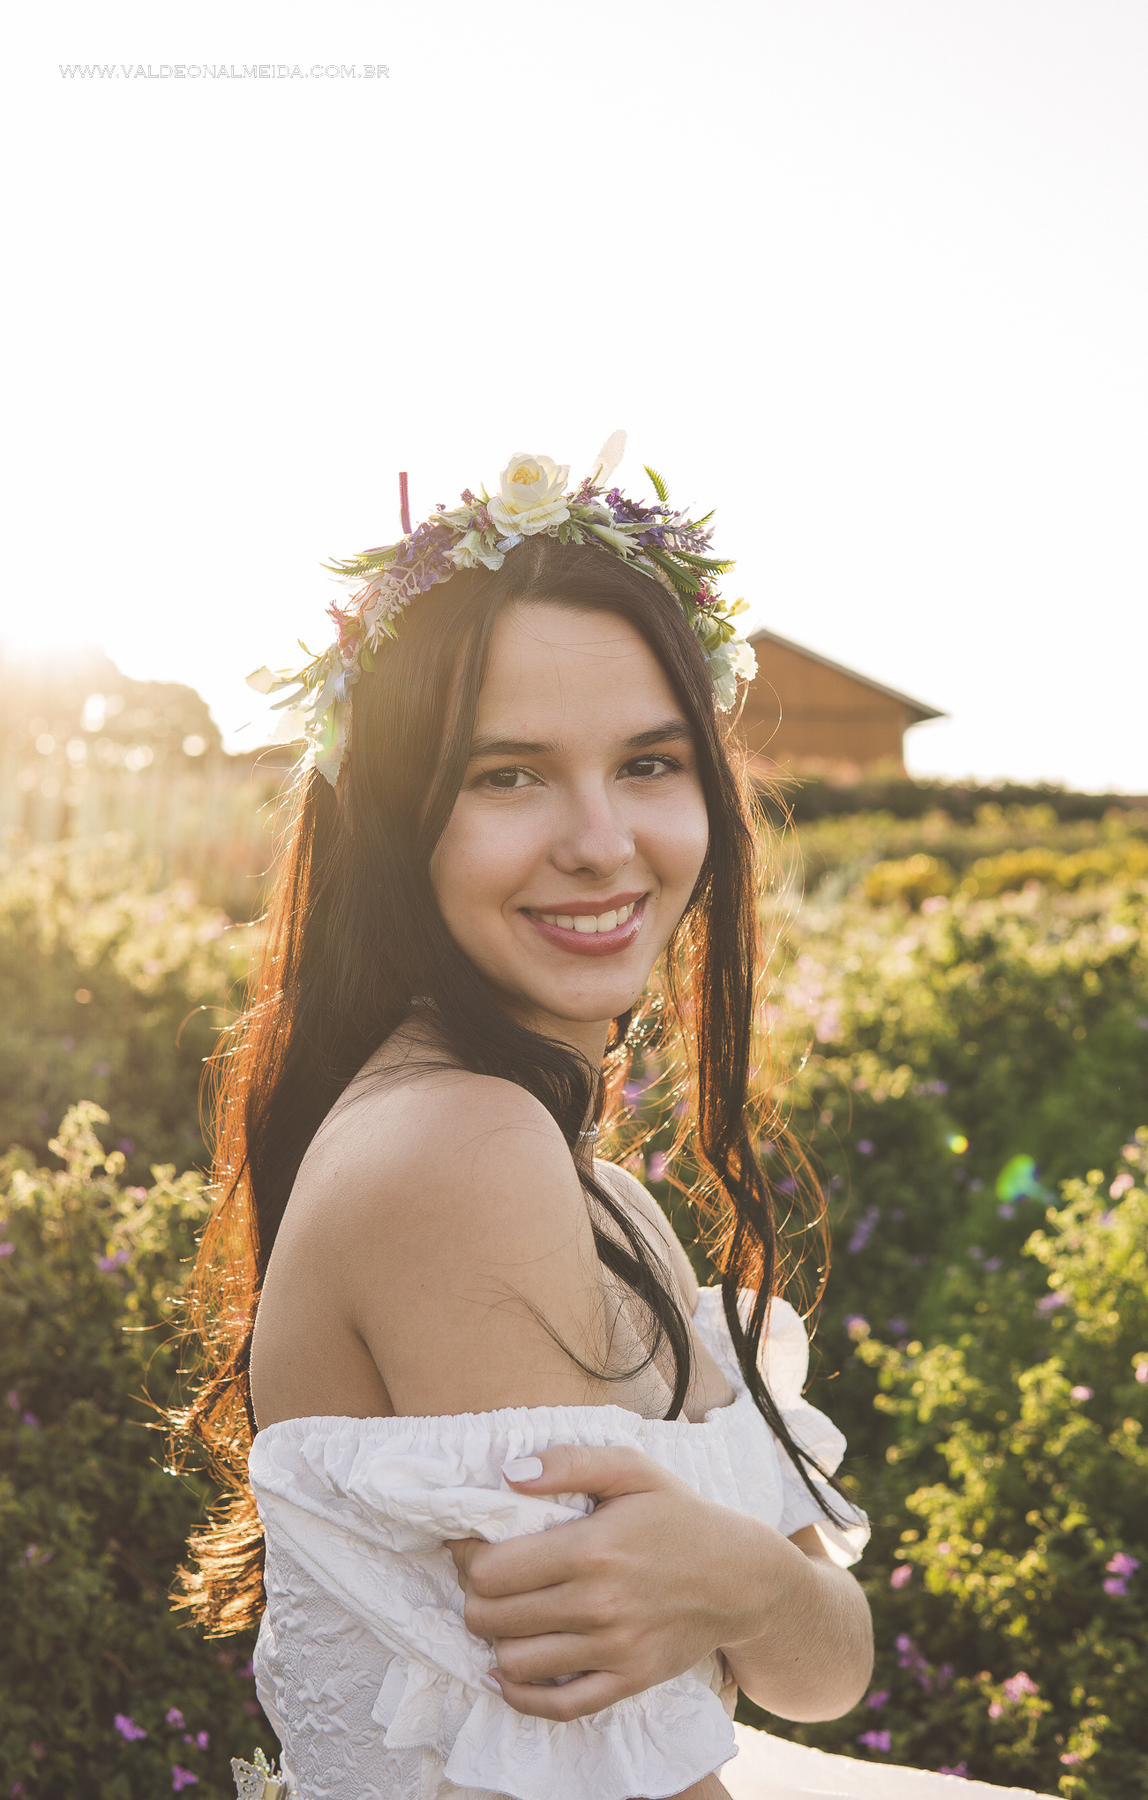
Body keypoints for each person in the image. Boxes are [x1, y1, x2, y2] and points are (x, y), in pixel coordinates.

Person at [181, 443, 1052, 1800]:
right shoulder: (457, 1151)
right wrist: (743, 1593)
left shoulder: (599, 1190)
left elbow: (825, 1662)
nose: (601, 841)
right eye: (508, 776)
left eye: (648, 762)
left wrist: (742, 1575)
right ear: (390, 819)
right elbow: (605, 1761)